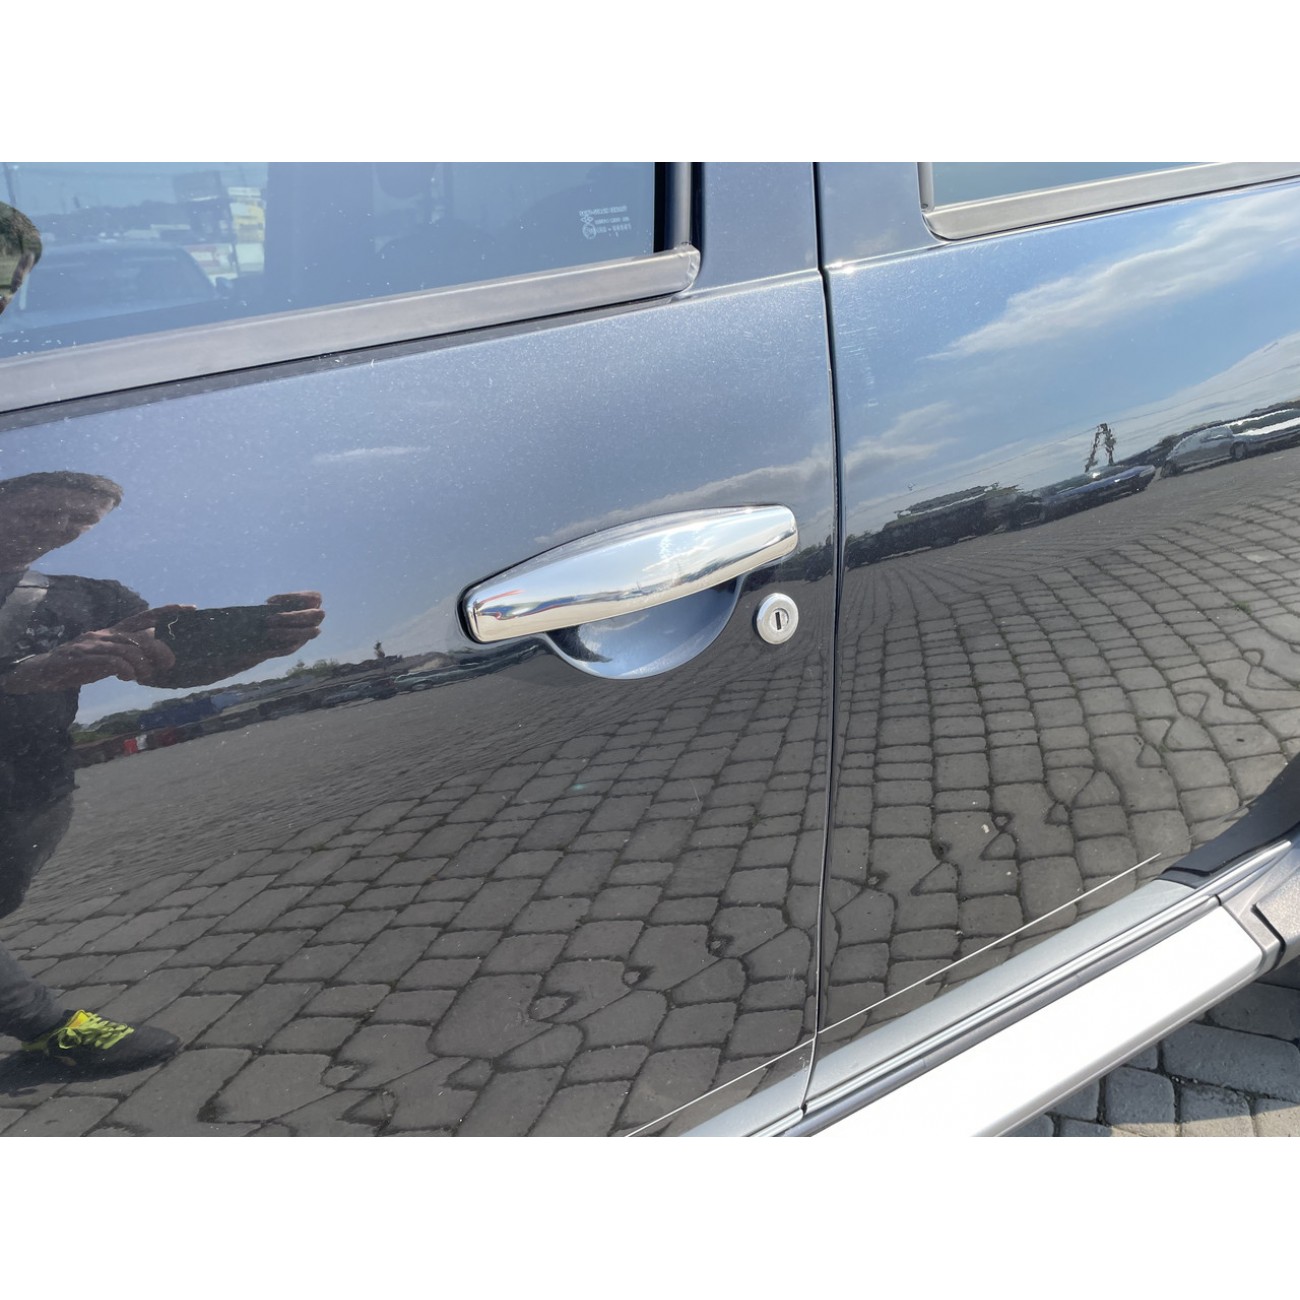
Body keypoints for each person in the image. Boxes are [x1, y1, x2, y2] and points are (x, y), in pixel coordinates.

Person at [0, 470, 324, 1071]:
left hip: (33, 793)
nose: (59, 528)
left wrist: (260, 647)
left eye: (79, 521)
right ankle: (47, 1028)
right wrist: (19, 675)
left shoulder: (92, 599)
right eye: (42, 512)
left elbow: (170, 671)